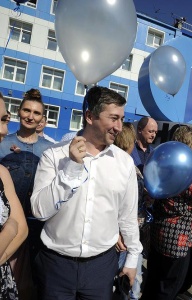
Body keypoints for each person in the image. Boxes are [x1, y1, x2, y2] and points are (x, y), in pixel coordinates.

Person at [30, 86, 142, 299]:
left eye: (122, 118)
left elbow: (127, 217)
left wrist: (132, 258)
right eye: (114, 118)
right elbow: (39, 211)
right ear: (90, 116)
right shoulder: (54, 156)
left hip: (101, 268)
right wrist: (71, 168)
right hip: (56, 266)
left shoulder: (125, 163)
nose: (120, 127)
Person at [141, 125, 192, 300]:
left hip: (158, 234)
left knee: (152, 283)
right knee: (168, 289)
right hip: (179, 242)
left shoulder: (161, 163)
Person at [0, 89, 54, 299]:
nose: (31, 116)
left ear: (42, 118)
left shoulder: (49, 150)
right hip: (6, 223)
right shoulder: (3, 143)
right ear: (19, 112)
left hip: (36, 225)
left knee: (32, 281)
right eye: (26, 110)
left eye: (36, 113)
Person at [114, 122, 150, 300]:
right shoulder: (125, 168)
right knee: (127, 282)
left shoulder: (129, 166)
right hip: (125, 235)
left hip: (131, 232)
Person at [0, 92, 28, 298]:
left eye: (4, 119)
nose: (4, 130)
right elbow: (15, 226)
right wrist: (9, 228)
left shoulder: (1, 172)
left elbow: (22, 228)